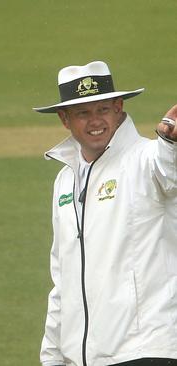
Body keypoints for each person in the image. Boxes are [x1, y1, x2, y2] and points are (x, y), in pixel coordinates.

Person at [34, 61, 177, 366]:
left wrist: (171, 143)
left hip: (146, 351)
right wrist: (52, 356)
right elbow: (63, 275)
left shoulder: (147, 158)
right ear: (64, 119)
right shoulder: (65, 180)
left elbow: (169, 171)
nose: (95, 121)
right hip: (82, 358)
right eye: (83, 113)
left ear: (118, 108)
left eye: (102, 109)